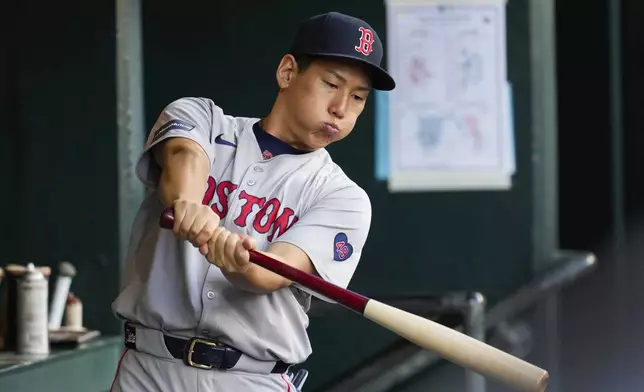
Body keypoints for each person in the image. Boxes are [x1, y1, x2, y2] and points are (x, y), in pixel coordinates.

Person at [109, 11, 396, 392]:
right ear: (288, 72)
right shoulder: (204, 118)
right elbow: (182, 157)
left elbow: (269, 273)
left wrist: (237, 261)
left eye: (358, 98)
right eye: (331, 84)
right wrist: (189, 205)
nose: (341, 109)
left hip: (251, 380)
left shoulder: (342, 196)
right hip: (150, 372)